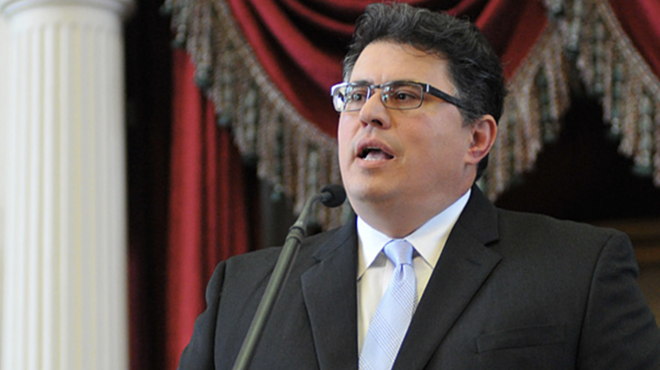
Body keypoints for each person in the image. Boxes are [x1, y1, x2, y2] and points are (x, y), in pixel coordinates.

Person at [177, 3, 660, 370]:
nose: (369, 113)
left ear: (477, 137)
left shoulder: (577, 271)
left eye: (404, 95)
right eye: (356, 95)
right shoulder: (246, 293)